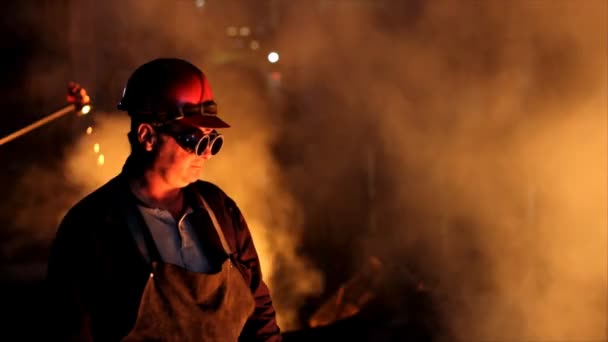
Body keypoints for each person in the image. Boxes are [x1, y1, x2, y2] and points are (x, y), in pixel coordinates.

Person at [46, 58, 282, 341]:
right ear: (148, 136)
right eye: (194, 139)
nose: (206, 153)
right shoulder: (91, 228)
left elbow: (260, 312)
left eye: (212, 139)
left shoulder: (221, 210)